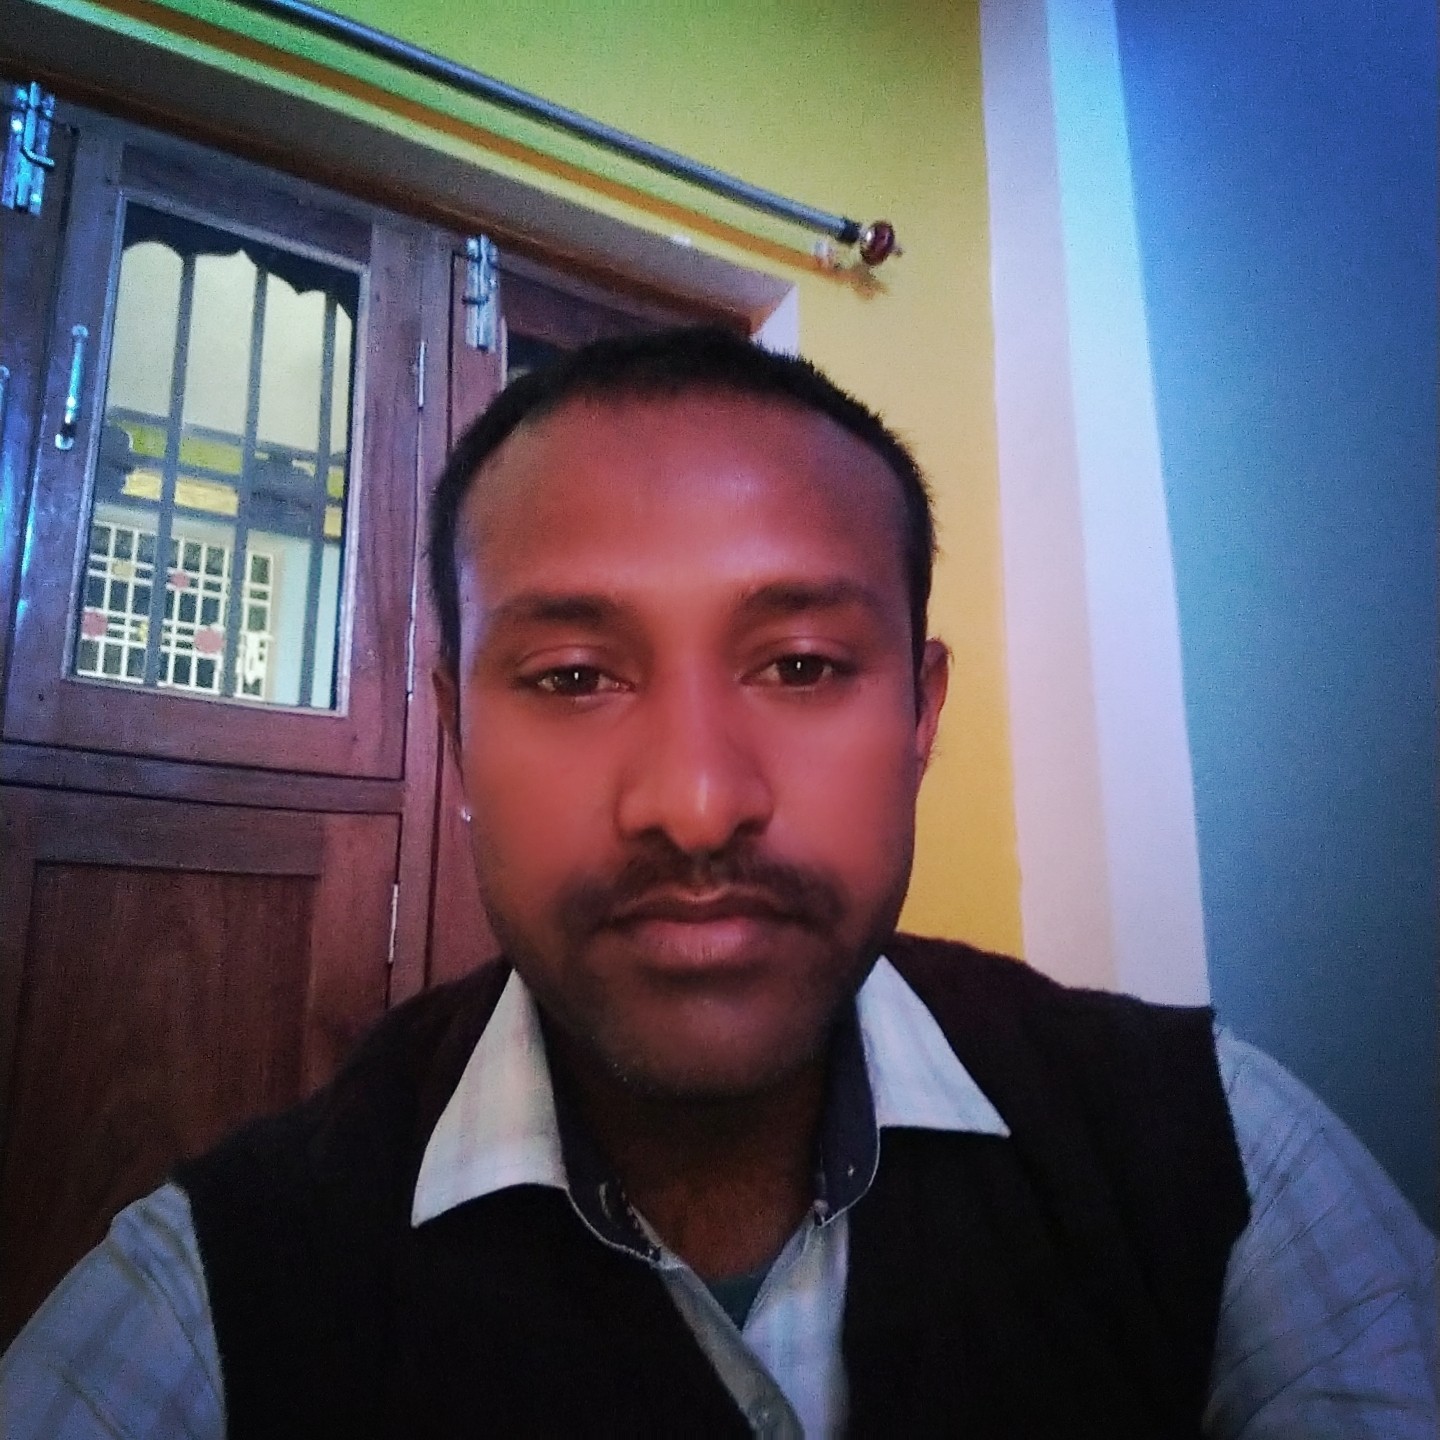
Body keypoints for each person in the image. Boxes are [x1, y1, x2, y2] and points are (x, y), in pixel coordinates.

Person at [1, 327, 1433, 1437]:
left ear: (921, 715)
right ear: (455, 735)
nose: (695, 804)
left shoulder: (1221, 1163)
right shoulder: (211, 1301)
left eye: (801, 665)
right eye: (574, 676)